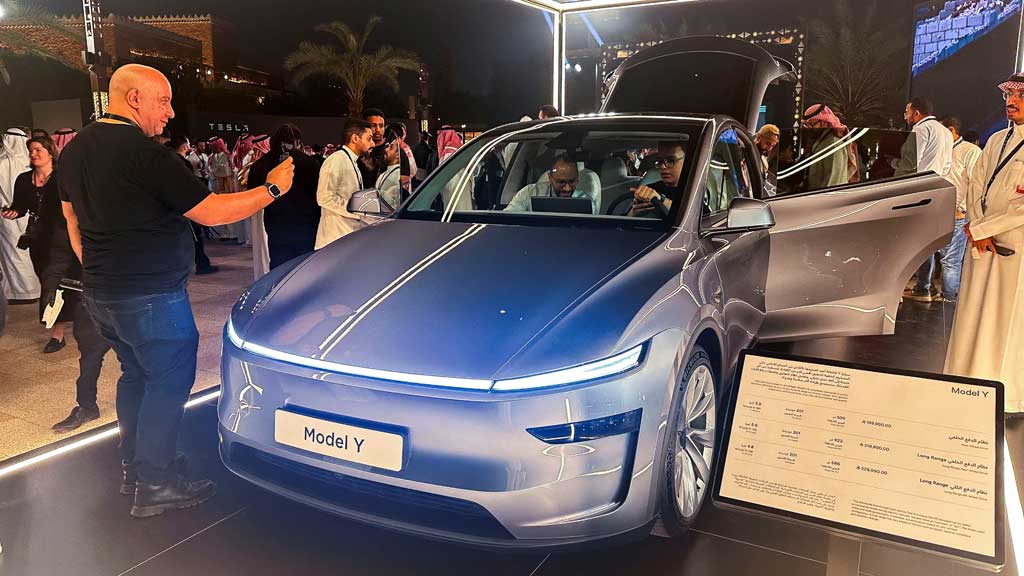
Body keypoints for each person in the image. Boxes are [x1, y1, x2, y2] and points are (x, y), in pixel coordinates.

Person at [58, 63, 295, 517]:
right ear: (133, 99)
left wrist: (101, 272)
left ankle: (138, 467)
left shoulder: (75, 150)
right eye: (163, 101)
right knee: (168, 382)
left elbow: (72, 220)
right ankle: (155, 483)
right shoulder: (147, 155)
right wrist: (271, 189)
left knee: (136, 376)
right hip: (149, 296)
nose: (169, 113)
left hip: (101, 295)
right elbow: (210, 212)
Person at [5, 137, 112, 431]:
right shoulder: (61, 189)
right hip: (79, 270)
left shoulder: (115, 189)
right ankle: (86, 405)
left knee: (137, 356)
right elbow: (57, 237)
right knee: (90, 347)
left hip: (125, 284)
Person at [945, 73, 1024, 417]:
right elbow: (975, 183)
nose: (1012, 101)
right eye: (1010, 95)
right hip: (982, 242)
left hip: (1015, 248)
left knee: (1005, 321)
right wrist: (977, 226)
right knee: (974, 312)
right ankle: (967, 380)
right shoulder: (995, 140)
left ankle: (1007, 395)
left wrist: (988, 227)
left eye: (1021, 96)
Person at [2, 137, 71, 352]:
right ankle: (69, 319)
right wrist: (12, 212)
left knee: (53, 282)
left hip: (62, 237)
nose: (34, 154)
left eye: (38, 149)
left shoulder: (62, 177)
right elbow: (20, 206)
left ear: (50, 152)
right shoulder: (24, 179)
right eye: (31, 150)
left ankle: (57, 333)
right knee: (48, 281)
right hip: (38, 239)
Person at [905, 117, 981, 303]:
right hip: (934, 210)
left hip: (956, 214)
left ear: (950, 130)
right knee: (926, 252)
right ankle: (923, 288)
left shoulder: (970, 151)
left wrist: (964, 210)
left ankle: (948, 298)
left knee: (950, 261)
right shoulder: (940, 150)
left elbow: (976, 184)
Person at [250, 124, 321, 269]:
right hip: (306, 227)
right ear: (298, 141)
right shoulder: (310, 163)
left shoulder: (260, 165)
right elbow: (317, 195)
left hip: (276, 227)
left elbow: (253, 194)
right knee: (304, 267)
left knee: (279, 267)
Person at [315, 119, 375, 250]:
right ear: (355, 138)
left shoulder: (350, 160)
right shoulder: (336, 160)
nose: (373, 144)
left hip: (345, 237)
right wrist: (357, 211)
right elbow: (324, 197)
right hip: (333, 240)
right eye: (369, 139)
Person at [0, 127, 42, 302]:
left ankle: (20, 292)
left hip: (7, 216)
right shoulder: (31, 161)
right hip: (28, 215)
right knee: (27, 253)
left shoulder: (1, 163)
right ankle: (34, 289)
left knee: (13, 254)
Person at [166, 136, 218, 276]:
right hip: (187, 206)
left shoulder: (169, 161)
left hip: (174, 206)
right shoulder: (182, 163)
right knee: (195, 237)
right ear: (184, 147)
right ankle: (202, 264)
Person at [504, 155, 598, 214]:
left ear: (577, 179)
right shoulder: (529, 193)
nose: (567, 188)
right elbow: (508, 218)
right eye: (561, 182)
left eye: (572, 181)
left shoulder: (586, 202)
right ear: (550, 178)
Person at [802, 104, 861, 190]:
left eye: (812, 124)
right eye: (807, 125)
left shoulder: (833, 145)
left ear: (825, 122)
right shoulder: (820, 142)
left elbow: (832, 185)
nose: (809, 128)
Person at [894, 97, 954, 178]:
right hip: (935, 183)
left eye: (907, 113)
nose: (905, 117)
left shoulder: (921, 129)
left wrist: (893, 162)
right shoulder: (947, 132)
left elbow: (911, 163)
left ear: (916, 113)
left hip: (918, 184)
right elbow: (947, 167)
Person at [630, 141, 687, 216]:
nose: (662, 167)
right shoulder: (649, 190)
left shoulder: (694, 190)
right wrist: (633, 213)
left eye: (670, 160)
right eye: (660, 161)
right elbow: (622, 223)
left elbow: (700, 217)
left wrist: (661, 200)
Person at [376, 128, 403, 210]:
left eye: (391, 148)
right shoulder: (388, 172)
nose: (386, 149)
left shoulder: (396, 175)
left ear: (398, 155)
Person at [359, 108, 387, 185]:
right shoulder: (360, 149)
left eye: (381, 126)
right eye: (373, 125)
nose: (378, 130)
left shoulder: (390, 148)